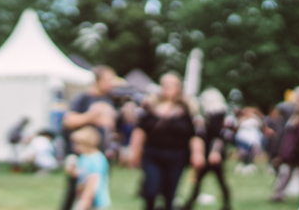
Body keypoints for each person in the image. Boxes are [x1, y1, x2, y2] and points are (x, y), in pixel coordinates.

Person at [129, 72, 205, 210]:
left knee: (169, 193)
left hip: (177, 155)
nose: (168, 87)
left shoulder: (188, 107)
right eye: (165, 84)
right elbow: (140, 129)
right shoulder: (149, 105)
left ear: (179, 87)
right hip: (153, 154)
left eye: (172, 84)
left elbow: (196, 133)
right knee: (151, 189)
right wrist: (135, 150)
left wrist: (197, 153)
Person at [61, 66, 117, 210]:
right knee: (76, 192)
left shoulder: (108, 99)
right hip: (81, 153)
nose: (112, 83)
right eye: (109, 80)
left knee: (95, 190)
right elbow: (68, 121)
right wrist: (92, 116)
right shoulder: (82, 99)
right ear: (97, 80)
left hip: (99, 153)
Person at [184, 88, 231, 210]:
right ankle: (226, 204)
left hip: (212, 153)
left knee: (209, 180)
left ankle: (189, 205)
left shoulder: (217, 115)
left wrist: (215, 151)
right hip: (208, 152)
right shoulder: (213, 115)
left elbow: (218, 136)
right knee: (213, 180)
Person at [271, 92, 299, 202]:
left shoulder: (291, 120)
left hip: (289, 151)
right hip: (298, 151)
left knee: (286, 173)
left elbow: (286, 138)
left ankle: (278, 194)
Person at [66, 126, 111, 210]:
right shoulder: (84, 157)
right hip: (82, 196)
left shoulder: (97, 159)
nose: (75, 147)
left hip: (96, 201)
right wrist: (71, 170)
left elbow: (94, 180)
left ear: (87, 143)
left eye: (78, 144)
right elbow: (80, 173)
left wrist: (86, 199)